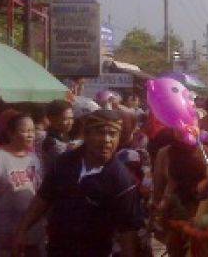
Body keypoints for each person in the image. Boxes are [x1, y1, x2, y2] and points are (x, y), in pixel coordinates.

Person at [13, 109, 143, 257]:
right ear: (86, 134)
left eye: (112, 134)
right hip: (56, 250)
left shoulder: (122, 181)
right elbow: (43, 198)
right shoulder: (64, 163)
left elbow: (128, 233)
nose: (107, 139)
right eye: (100, 132)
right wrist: (22, 230)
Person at [0, 110, 44, 257]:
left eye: (32, 130)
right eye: (24, 131)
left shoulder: (34, 159)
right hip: (2, 232)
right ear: (11, 133)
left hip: (31, 231)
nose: (30, 135)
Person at [40, 99, 74, 170]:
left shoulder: (63, 136)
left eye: (71, 118)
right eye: (65, 119)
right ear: (52, 119)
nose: (70, 122)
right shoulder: (51, 142)